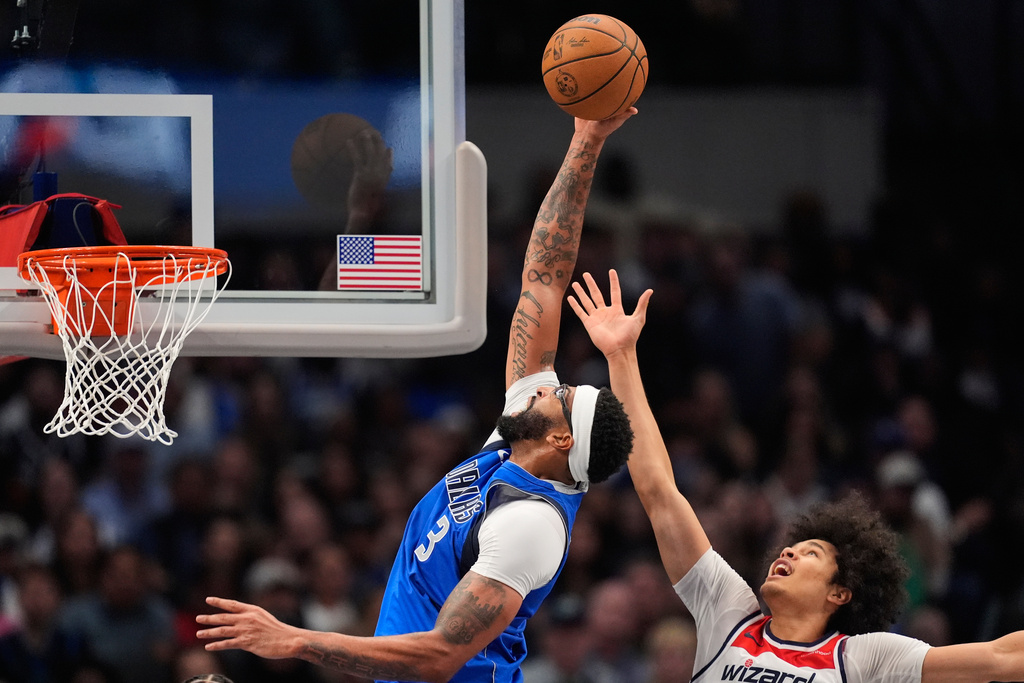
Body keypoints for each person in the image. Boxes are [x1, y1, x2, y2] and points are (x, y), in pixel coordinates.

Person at [196, 108, 639, 682]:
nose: (550, 385)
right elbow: (544, 278)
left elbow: (438, 657)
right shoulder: (520, 435)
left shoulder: (529, 524)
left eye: (564, 395)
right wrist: (586, 141)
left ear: (560, 439)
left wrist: (294, 639)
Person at [567, 269, 1024, 683]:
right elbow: (659, 491)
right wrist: (621, 356)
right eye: (795, 546)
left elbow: (999, 658)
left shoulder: (862, 658)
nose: (788, 550)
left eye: (811, 553)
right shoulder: (729, 614)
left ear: (839, 593)